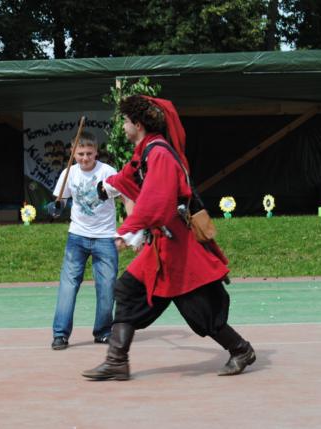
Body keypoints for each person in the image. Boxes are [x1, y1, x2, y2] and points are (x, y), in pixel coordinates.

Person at [82, 95, 255, 380]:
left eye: (125, 121)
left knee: (198, 308)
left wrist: (128, 229)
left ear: (138, 124)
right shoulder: (146, 151)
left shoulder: (159, 153)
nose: (123, 126)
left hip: (178, 248)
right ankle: (117, 361)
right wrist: (105, 186)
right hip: (162, 246)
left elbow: (157, 200)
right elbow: (129, 176)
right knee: (127, 291)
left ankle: (241, 349)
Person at [49, 131, 119, 350]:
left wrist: (128, 229)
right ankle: (60, 334)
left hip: (105, 237)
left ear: (96, 152)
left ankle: (103, 332)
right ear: (73, 152)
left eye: (89, 153)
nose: (85, 158)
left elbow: (125, 196)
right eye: (80, 154)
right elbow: (61, 199)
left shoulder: (108, 172)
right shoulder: (68, 173)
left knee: (107, 286)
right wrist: (56, 207)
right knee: (68, 286)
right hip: (77, 236)